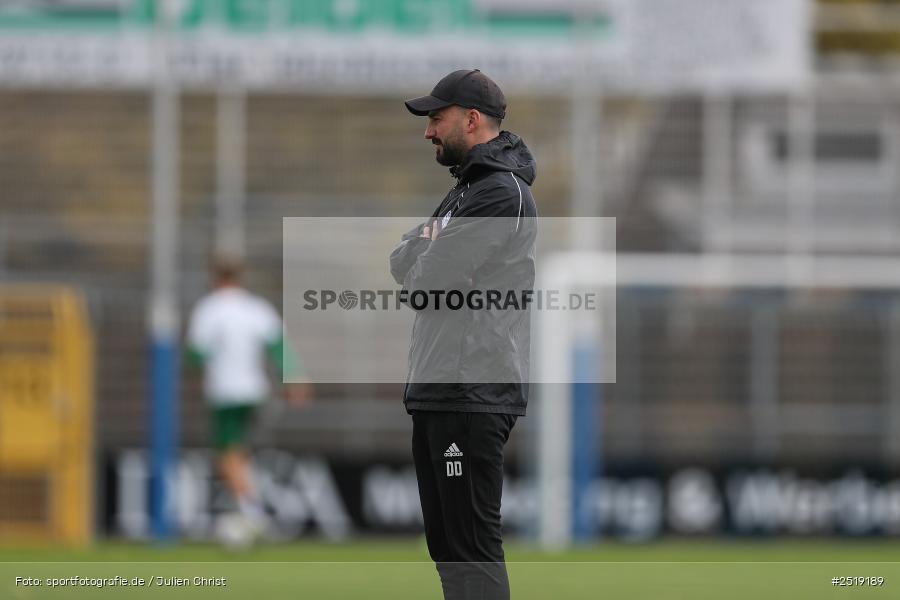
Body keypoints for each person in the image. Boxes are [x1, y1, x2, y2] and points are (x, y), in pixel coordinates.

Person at [391, 69, 538, 600]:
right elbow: (401, 261)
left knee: (471, 551)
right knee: (449, 553)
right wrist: (427, 253)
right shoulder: (465, 191)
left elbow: (424, 278)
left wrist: (428, 255)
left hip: (470, 389)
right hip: (440, 388)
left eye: (436, 118)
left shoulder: (501, 193)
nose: (428, 131)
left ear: (471, 120)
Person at [186, 257, 310, 540]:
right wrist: (294, 379)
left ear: (213, 275)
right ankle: (246, 508)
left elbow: (196, 353)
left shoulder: (209, 309)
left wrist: (203, 362)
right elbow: (279, 345)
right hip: (255, 389)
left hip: (225, 391)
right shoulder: (255, 307)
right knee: (238, 451)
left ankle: (253, 512)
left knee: (227, 453)